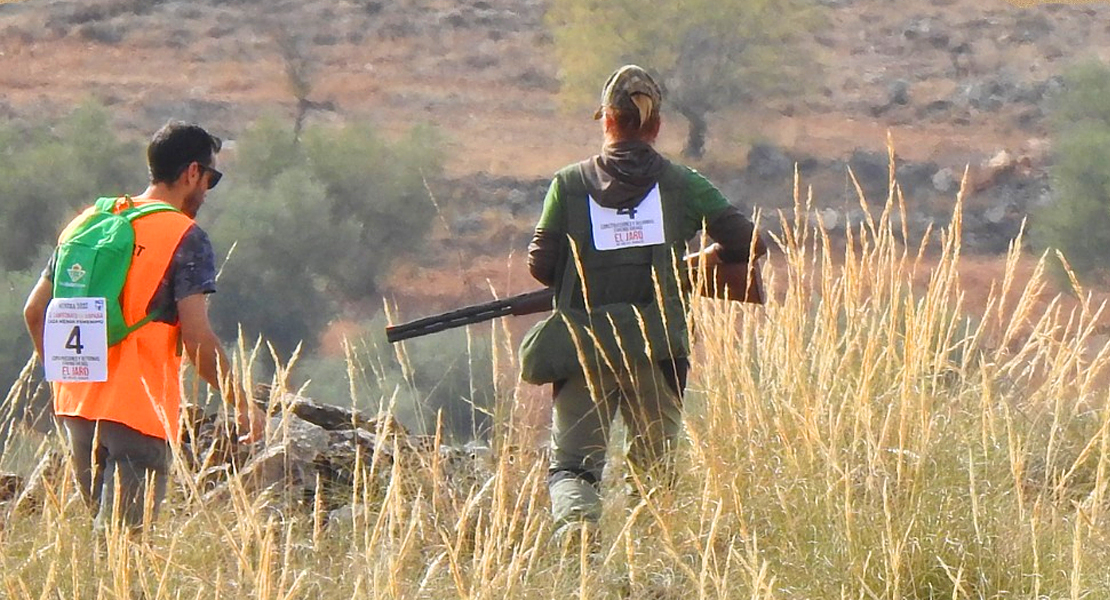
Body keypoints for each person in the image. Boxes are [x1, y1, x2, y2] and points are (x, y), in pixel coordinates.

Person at [525, 65, 765, 536]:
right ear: (655, 126)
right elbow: (748, 241)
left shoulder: (569, 184)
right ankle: (653, 559)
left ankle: (577, 530)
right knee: (655, 473)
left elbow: (542, 265)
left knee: (573, 467)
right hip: (659, 350)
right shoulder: (684, 184)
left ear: (607, 121)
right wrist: (691, 268)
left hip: (584, 346)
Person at [22, 121, 266, 531]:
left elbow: (34, 311)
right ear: (192, 173)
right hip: (138, 411)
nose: (207, 189)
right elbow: (196, 339)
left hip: (77, 409)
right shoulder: (184, 236)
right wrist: (242, 403)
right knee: (126, 552)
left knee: (107, 554)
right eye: (211, 178)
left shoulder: (85, 224)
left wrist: (62, 378)